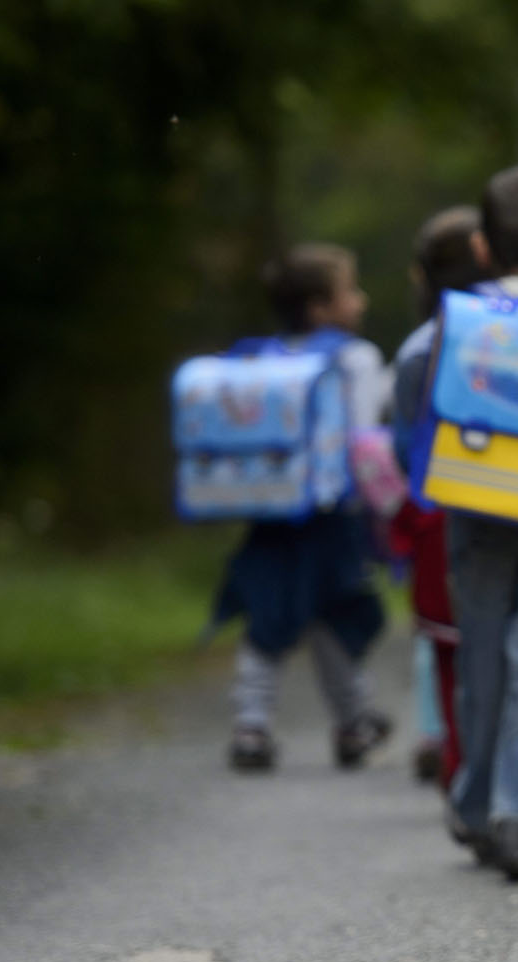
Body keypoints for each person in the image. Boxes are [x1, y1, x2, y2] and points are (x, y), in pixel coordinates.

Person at [395, 167, 518, 883]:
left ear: (482, 248)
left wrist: (424, 481)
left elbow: (410, 405)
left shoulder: (453, 322)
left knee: (481, 659)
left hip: (474, 509)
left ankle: (474, 803)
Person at [211, 243, 394, 772]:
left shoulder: (259, 357)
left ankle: (251, 725)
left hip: (271, 515)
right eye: (350, 290)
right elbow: (361, 439)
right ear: (320, 307)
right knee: (337, 617)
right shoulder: (354, 359)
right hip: (333, 517)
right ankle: (353, 719)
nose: (359, 301)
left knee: (268, 615)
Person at [391, 205, 488, 787]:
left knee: (446, 650)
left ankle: (456, 758)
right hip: (513, 510)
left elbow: (406, 449)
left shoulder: (417, 348)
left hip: (437, 520)